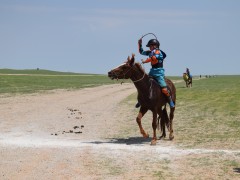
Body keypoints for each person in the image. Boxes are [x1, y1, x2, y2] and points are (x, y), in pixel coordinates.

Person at [135, 38, 175, 108]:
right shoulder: (150, 52)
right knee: (144, 84)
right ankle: (140, 101)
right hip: (152, 72)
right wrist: (140, 44)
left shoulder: (158, 52)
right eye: (149, 46)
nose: (149, 47)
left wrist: (145, 61)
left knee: (164, 88)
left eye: (150, 46)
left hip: (159, 73)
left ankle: (170, 100)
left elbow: (153, 58)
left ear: (155, 46)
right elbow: (141, 52)